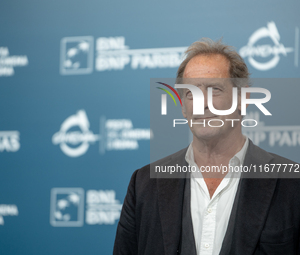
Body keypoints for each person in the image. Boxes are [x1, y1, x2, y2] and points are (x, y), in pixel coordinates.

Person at [113, 38, 300, 255]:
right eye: (191, 93)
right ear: (183, 106)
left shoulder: (292, 184)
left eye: (214, 89)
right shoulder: (144, 184)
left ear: (243, 99)